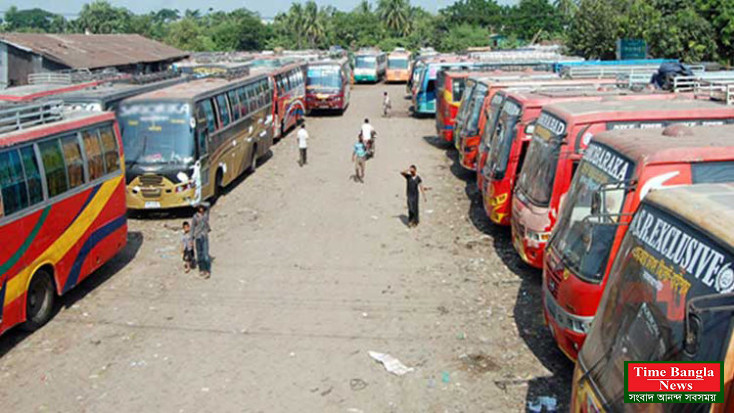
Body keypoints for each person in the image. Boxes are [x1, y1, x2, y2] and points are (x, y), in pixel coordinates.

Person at [192, 203, 212, 278]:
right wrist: (191, 239)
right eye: (199, 208)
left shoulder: (206, 215)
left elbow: (208, 205)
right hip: (197, 237)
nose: (201, 209)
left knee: (206, 255)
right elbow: (192, 228)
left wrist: (200, 203)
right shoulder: (195, 217)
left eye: (202, 207)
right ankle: (202, 269)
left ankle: (207, 270)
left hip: (204, 236)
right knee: (200, 255)